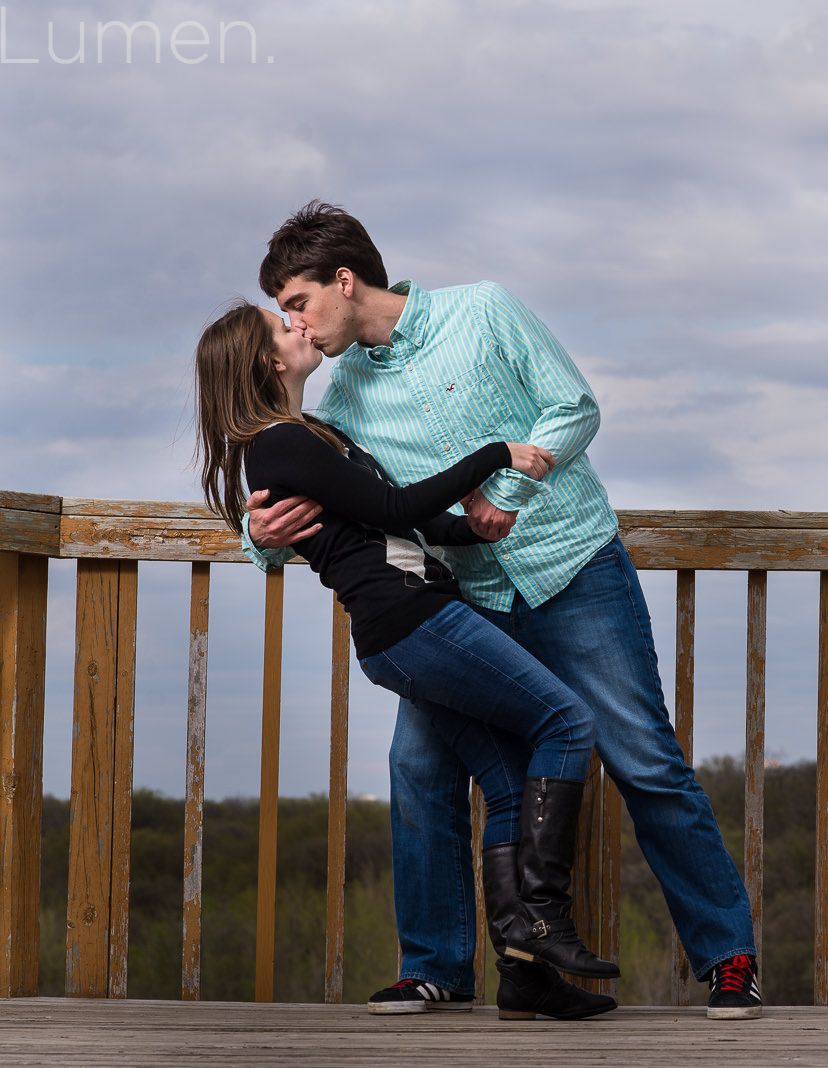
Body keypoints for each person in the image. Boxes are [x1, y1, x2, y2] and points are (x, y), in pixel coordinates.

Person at [243, 202, 762, 1021]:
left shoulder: (483, 309)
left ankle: (728, 958)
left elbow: (574, 408)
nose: (292, 321)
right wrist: (259, 534)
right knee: (418, 768)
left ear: (344, 281)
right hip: (462, 606)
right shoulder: (337, 403)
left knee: (643, 759)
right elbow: (325, 508)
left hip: (573, 568)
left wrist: (508, 491)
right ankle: (438, 967)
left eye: (297, 301)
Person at [195, 301, 620, 1017]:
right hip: (414, 624)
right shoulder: (278, 446)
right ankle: (547, 925)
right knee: (567, 723)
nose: (299, 326)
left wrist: (489, 525)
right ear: (268, 362)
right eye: (284, 325)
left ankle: (525, 976)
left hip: (413, 624)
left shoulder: (313, 437)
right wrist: (497, 455)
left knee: (512, 782)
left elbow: (410, 520)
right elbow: (393, 511)